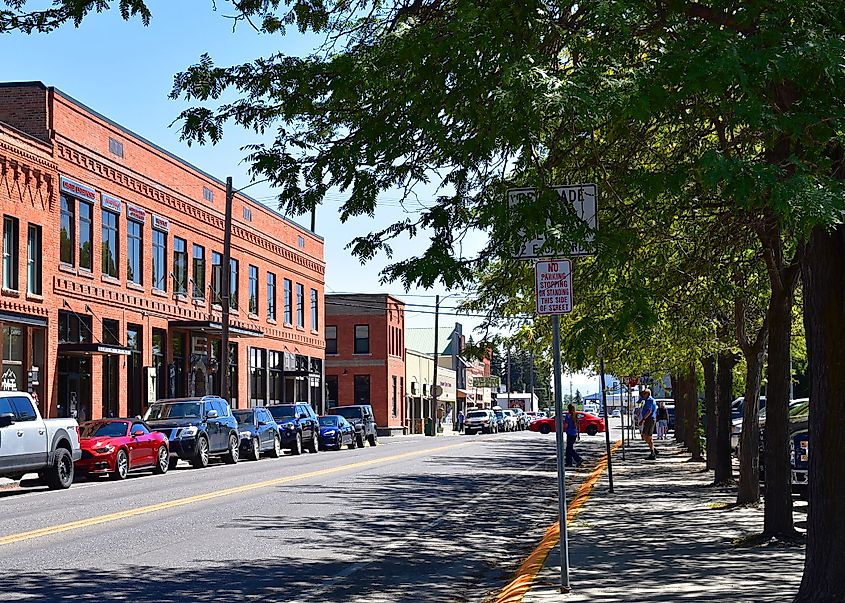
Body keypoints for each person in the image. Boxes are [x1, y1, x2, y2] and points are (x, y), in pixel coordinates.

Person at [639, 389, 658, 459]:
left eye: (644, 394)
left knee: (647, 436)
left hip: (649, 419)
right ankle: (653, 450)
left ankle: (653, 453)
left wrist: (643, 419)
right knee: (646, 436)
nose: (642, 395)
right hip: (649, 419)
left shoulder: (650, 400)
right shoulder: (648, 400)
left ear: (647, 394)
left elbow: (649, 411)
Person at [565, 404, 583, 468]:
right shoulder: (575, 416)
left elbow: (566, 425)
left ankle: (577, 459)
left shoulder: (568, 416)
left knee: (569, 449)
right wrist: (578, 435)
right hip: (574, 434)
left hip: (569, 434)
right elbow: (577, 426)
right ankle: (569, 462)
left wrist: (565, 429)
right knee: (569, 448)